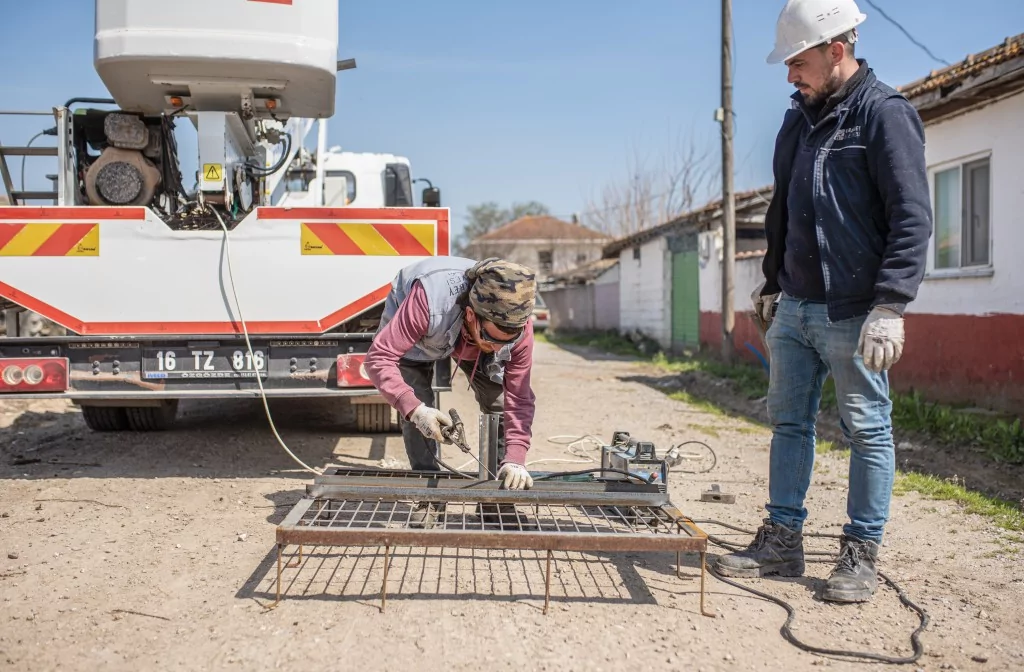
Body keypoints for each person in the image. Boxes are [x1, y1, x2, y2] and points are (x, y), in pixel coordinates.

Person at [715, 0, 932, 604]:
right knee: (788, 422)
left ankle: (861, 552)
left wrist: (891, 303)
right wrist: (772, 282)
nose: (790, 75)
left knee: (867, 429)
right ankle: (782, 540)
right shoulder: (797, 120)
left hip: (855, 310)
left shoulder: (884, 115)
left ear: (837, 49)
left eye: (799, 62)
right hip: (796, 306)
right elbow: (784, 208)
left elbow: (911, 219)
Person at [363, 256, 538, 515]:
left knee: (498, 402)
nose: (500, 350)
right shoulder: (427, 302)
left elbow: (519, 398)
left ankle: (497, 500)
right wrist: (415, 410)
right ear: (471, 315)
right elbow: (379, 358)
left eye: (507, 342)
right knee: (416, 404)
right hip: (423, 336)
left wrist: (516, 458)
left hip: (468, 339)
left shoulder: (516, 329)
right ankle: (430, 495)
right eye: (493, 339)